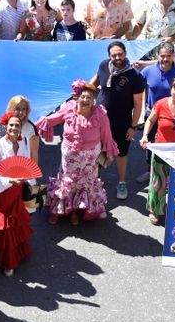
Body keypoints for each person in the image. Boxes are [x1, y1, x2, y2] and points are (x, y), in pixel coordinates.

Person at [37, 80, 118, 224]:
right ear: (77, 98)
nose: (85, 100)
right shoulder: (68, 109)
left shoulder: (100, 113)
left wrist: (109, 152)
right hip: (70, 155)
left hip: (91, 156)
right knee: (67, 181)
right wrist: (31, 124)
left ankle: (79, 210)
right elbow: (51, 120)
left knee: (85, 183)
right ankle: (62, 210)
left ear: (94, 100)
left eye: (89, 97)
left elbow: (107, 135)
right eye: (83, 96)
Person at [139, 77, 175, 224]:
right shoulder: (160, 104)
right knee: (158, 182)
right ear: (171, 89)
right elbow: (150, 120)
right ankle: (155, 210)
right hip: (162, 150)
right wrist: (145, 135)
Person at [88, 41, 144, 200]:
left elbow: (138, 104)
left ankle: (121, 182)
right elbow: (94, 82)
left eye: (120, 54)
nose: (117, 57)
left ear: (125, 53)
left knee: (121, 153)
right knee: (97, 150)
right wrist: (82, 91)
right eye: (114, 55)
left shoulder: (135, 76)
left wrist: (133, 126)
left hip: (122, 121)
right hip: (99, 118)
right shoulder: (104, 65)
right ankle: (95, 180)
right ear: (109, 56)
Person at [0, 113, 33, 275]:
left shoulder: (24, 141)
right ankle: (8, 261)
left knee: (16, 220)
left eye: (17, 125)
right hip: (2, 190)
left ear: (21, 128)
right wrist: (9, 180)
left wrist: (25, 178)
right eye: (11, 125)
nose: (14, 128)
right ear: (6, 127)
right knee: (5, 222)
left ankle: (16, 252)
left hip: (17, 188)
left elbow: (26, 163)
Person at [136, 42, 175, 183]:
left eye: (168, 56)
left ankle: (170, 173)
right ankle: (150, 171)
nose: (165, 59)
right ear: (158, 56)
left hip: (172, 116)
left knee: (170, 144)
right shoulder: (148, 72)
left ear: (173, 57)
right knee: (150, 143)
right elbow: (138, 90)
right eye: (162, 56)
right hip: (152, 114)